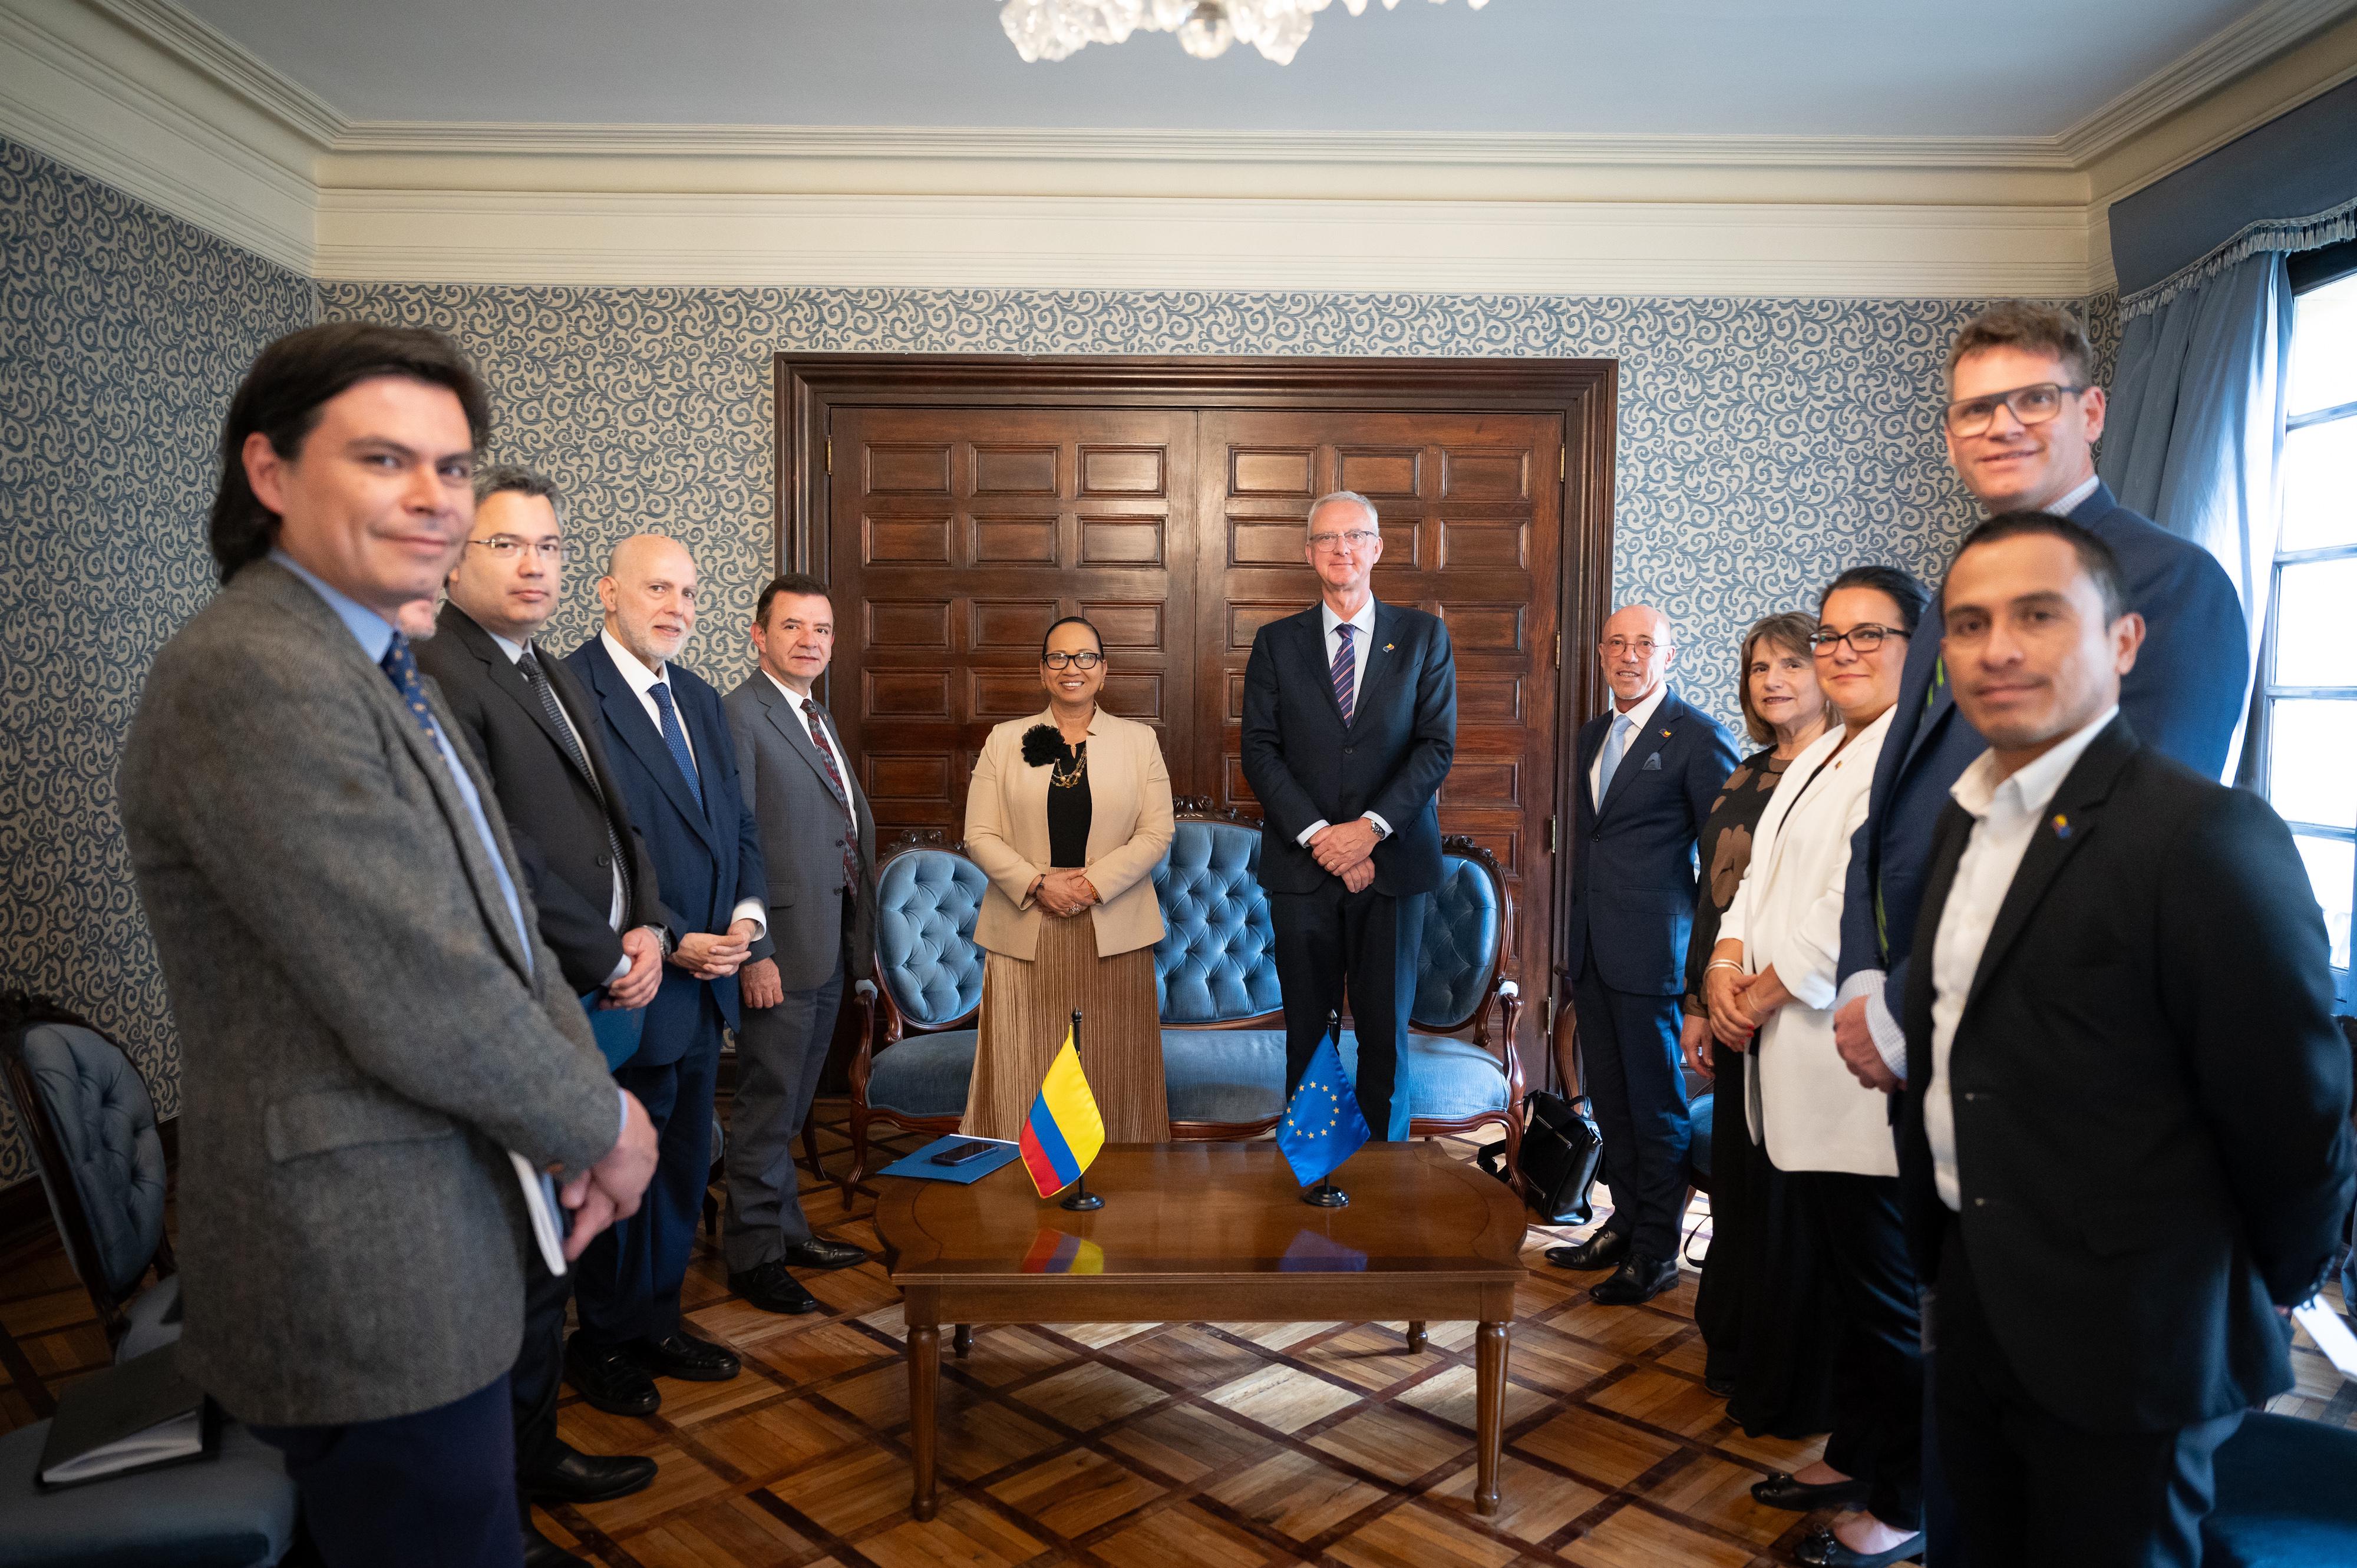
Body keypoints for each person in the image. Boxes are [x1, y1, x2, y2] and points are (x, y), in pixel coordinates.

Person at [117, 322, 658, 1568]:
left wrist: (581, 1099)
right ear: (270, 472)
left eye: (454, 467)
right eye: (383, 458)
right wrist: (600, 1121)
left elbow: (507, 933)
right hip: (363, 1262)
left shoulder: (374, 666)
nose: (434, 498)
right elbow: (417, 987)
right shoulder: (255, 671)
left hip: (442, 1224)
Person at [1900, 514, 2353, 1565]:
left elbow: (2292, 1111)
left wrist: (2251, 1285)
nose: (1997, 647)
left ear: (2126, 643)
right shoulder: (1968, 817)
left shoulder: (2204, 835)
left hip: (2132, 1334)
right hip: (1976, 1297)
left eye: (2038, 615)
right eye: (1968, 624)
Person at [1832, 301, 2248, 1099]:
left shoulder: (2169, 583)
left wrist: (1900, 1004)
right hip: (1919, 1052)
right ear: (1952, 437)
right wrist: (1860, 976)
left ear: (2091, 412)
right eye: (1978, 409)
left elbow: (2115, 844)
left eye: (2035, 399)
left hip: (2057, 1048)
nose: (2003, 425)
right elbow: (1883, 815)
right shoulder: (1957, 586)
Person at [411, 467, 666, 1563]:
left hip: (599, 982)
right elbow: (492, 859)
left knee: (551, 1239)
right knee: (521, 1247)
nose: (533, 565)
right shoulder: (434, 670)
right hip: (524, 997)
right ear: (458, 560)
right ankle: (505, 1493)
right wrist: (603, 947)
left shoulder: (549, 670)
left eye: (550, 547)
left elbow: (621, 825)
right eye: (508, 545)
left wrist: (647, 921)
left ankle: (534, 1450)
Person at [1711, 567, 1930, 1568]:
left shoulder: (1909, 753)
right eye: (1831, 636)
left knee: (1887, 1299)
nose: (1842, 654)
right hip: (1779, 1061)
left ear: (1917, 643)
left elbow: (1854, 898)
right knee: (1845, 1292)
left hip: (1848, 1071)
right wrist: (1723, 957)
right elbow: (1759, 881)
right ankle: (1854, 1448)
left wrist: (1762, 991)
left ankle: (1911, 1498)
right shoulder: (1816, 749)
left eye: (1867, 636)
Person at [563, 534, 768, 1416]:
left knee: (682, 1172)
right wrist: (673, 936)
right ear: (608, 593)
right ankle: (602, 1341)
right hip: (635, 984)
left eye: (688, 590)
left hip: (709, 983)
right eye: (657, 587)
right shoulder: (571, 693)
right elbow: (583, 853)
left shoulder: (697, 696)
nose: (677, 606)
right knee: (619, 1178)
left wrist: (747, 922)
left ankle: (657, 1321)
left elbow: (738, 825)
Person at [1240, 491, 1457, 1143]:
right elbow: (1259, 748)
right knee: (1308, 1032)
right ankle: (1314, 1168)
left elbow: (1434, 746)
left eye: (1355, 536)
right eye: (1328, 539)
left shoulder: (1422, 636)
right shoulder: (1276, 643)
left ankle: (1383, 1180)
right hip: (1301, 869)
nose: (1342, 549)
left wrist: (1367, 833)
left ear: (1377, 548)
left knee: (1385, 1035)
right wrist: (1319, 838)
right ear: (1309, 554)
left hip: (1391, 867)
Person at [1547, 603, 1739, 1305]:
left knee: (1656, 1109)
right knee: (1613, 1103)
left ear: (1669, 654)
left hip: (1657, 955)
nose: (1628, 655)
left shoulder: (1696, 738)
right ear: (1599, 654)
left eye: (1644, 644)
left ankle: (1657, 1250)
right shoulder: (1592, 735)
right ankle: (1623, 1226)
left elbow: (1725, 869)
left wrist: (1701, 978)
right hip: (1593, 951)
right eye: (1616, 644)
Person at [1684, 612, 1845, 1437]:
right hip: (1730, 1002)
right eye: (1758, 668)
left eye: (1791, 663)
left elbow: (1838, 910)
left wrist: (1754, 994)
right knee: (1743, 1194)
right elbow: (1716, 900)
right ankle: (1736, 1344)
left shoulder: (1848, 773)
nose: (1774, 680)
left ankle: (1791, 1374)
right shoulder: (1742, 776)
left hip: (1800, 1012)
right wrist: (1703, 998)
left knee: (1793, 1203)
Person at [721, 573, 875, 1313]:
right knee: (766, 1105)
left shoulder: (813, 714)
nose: (809, 641)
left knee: (792, 1104)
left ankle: (784, 1230)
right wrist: (754, 952)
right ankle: (752, 1258)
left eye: (821, 629)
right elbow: (735, 839)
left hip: (826, 940)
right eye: (792, 627)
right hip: (778, 949)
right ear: (758, 635)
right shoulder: (740, 716)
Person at [962, 616, 1175, 1141]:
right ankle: (1015, 1186)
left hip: (1115, 926)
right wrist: (1039, 884)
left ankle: (1123, 1186)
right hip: (1025, 926)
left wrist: (1090, 885)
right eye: (1058, 657)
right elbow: (979, 834)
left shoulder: (1139, 741)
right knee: (1023, 1067)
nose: (1071, 668)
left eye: (1085, 657)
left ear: (1103, 671)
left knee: (1115, 1070)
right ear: (1042, 671)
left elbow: (1157, 832)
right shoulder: (1005, 739)